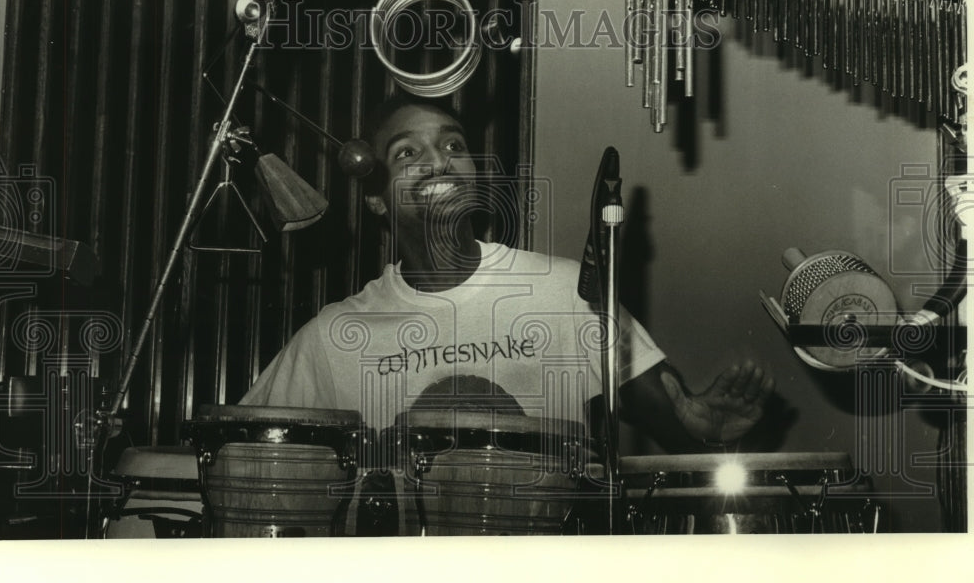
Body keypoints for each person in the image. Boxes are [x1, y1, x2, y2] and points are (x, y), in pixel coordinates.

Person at [240, 96, 773, 455]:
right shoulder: (333, 337)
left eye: (453, 146)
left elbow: (676, 420)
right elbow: (241, 447)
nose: (440, 162)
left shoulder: (567, 293)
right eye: (408, 153)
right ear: (376, 198)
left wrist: (705, 426)